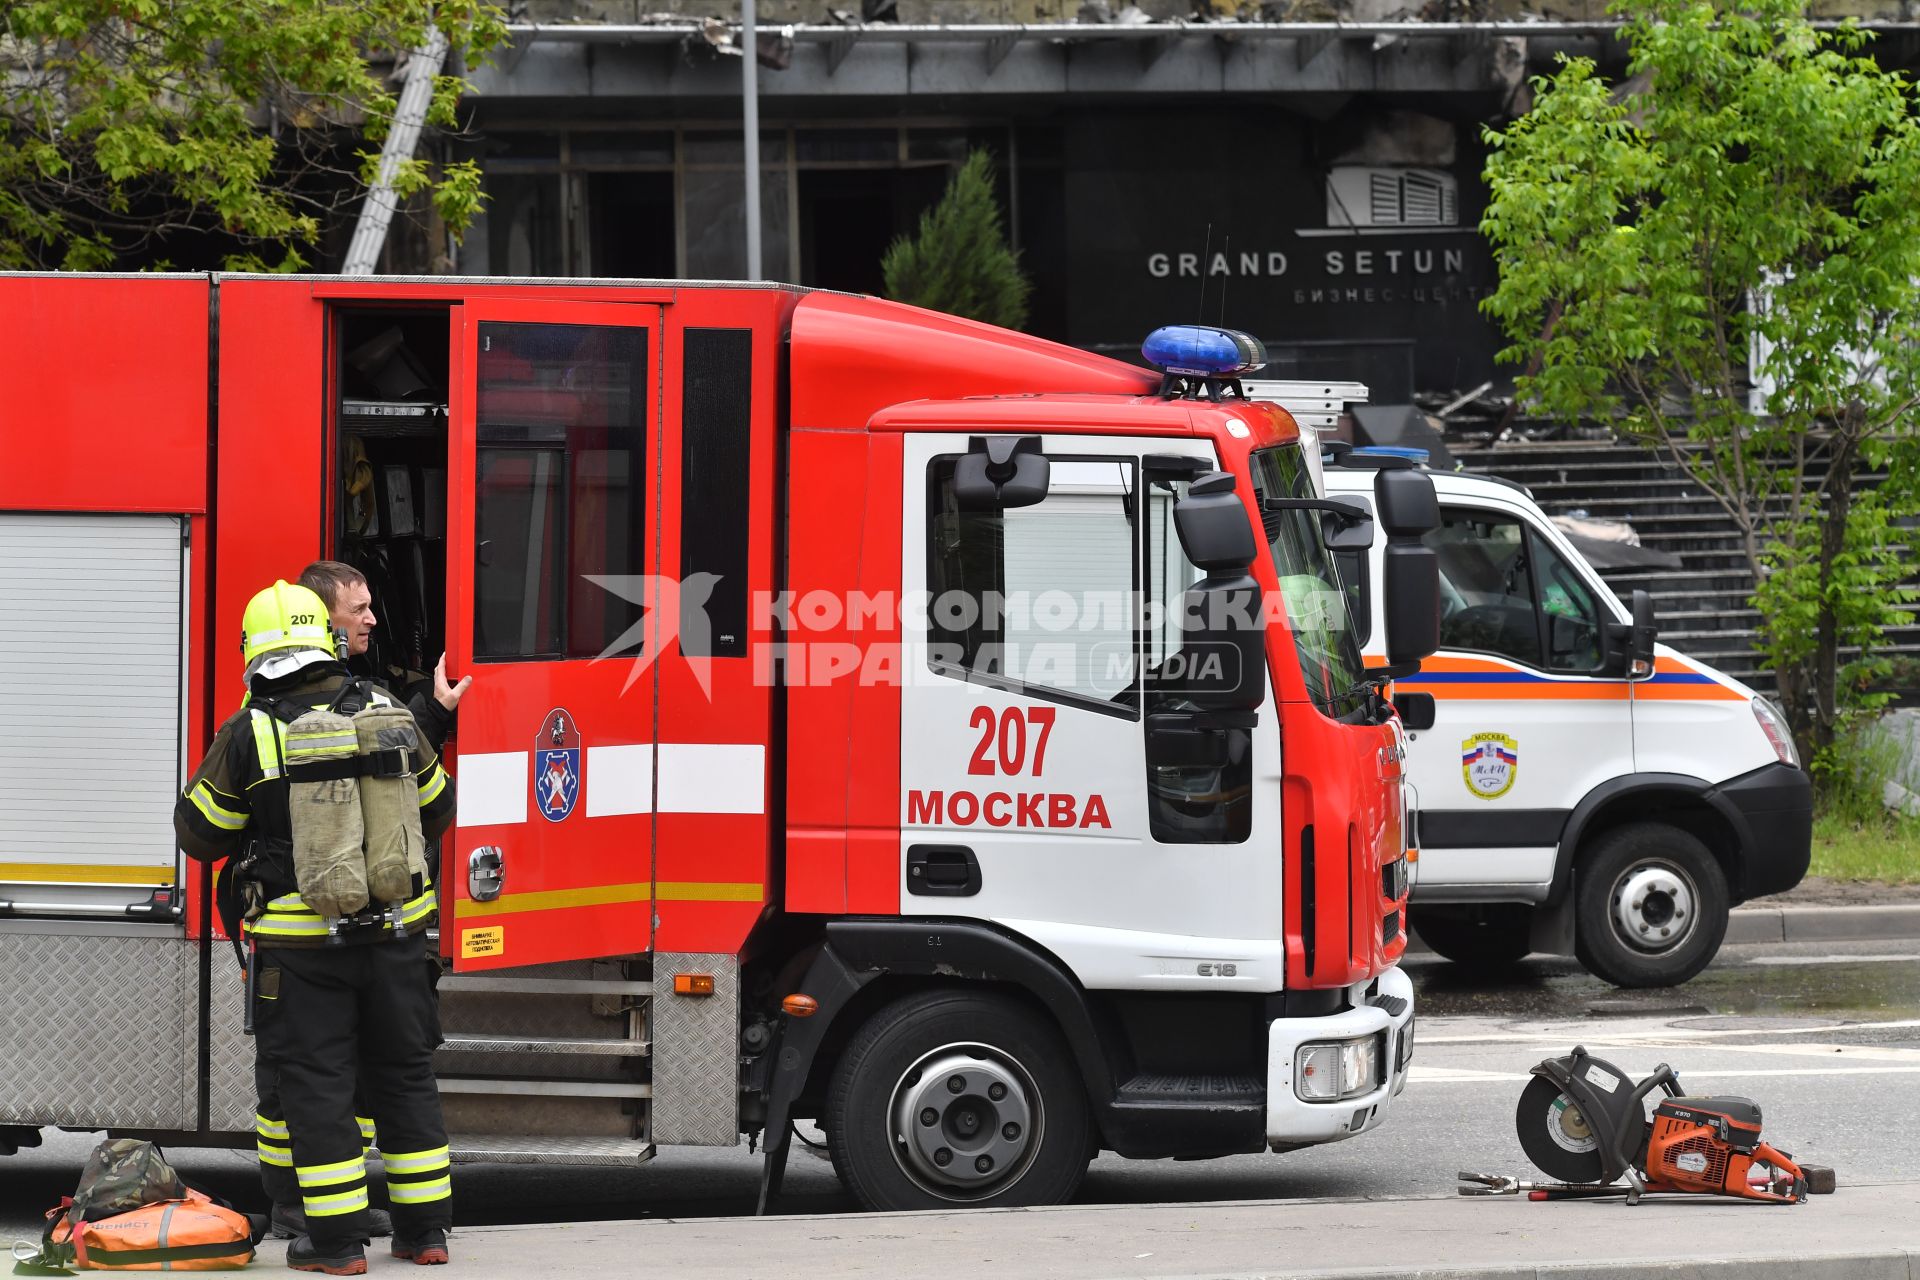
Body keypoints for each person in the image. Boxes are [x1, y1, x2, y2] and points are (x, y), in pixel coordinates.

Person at [176, 581, 457, 1274]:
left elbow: (201, 834)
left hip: (303, 954)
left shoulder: (253, 731)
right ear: (323, 637)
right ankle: (425, 1236)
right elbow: (437, 804)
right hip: (398, 941)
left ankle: (333, 1246)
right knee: (404, 1079)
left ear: (256, 651)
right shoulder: (389, 708)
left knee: (319, 1089)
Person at [297, 560, 470, 751]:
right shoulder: (320, 690)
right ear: (322, 617)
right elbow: (393, 762)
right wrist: (438, 711)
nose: (372, 619)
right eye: (358, 609)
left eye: (369, 607)